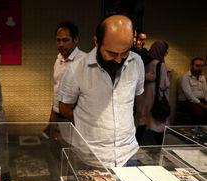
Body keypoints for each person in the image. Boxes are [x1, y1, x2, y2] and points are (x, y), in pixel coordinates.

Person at [58, 14, 144, 168]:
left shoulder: (136, 62)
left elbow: (137, 97)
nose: (119, 59)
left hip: (128, 153)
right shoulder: (76, 69)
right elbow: (64, 107)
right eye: (112, 53)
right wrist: (87, 126)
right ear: (97, 42)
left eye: (124, 52)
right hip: (91, 157)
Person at [43, 21, 85, 139]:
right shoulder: (58, 59)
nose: (61, 44)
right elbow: (56, 90)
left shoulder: (83, 61)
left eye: (65, 40)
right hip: (58, 115)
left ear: (75, 39)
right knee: (56, 151)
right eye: (58, 40)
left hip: (74, 117)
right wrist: (51, 119)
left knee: (72, 152)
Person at [135, 40, 170, 145]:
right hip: (154, 99)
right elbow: (164, 85)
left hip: (141, 99)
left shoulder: (144, 62)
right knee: (156, 125)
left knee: (142, 123)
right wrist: (169, 78)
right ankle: (160, 149)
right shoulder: (160, 65)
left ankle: (135, 146)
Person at [178, 57, 207, 124]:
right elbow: (189, 95)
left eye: (202, 66)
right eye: (197, 66)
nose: (200, 68)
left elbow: (206, 91)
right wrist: (202, 105)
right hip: (187, 102)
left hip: (200, 100)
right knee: (199, 113)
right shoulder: (185, 77)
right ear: (191, 66)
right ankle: (198, 132)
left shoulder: (202, 77)